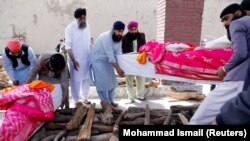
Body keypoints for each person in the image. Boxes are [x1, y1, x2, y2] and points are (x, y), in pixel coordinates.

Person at [189, 3, 250, 124]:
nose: (225, 23)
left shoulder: (237, 23)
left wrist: (224, 69)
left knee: (199, 119)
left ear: (238, 13)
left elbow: (241, 53)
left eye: (226, 18)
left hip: (238, 79)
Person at [90, 21, 125, 107]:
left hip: (108, 60)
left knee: (112, 81)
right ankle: (105, 102)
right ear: (113, 30)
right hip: (98, 60)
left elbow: (117, 54)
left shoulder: (119, 39)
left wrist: (121, 68)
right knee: (102, 82)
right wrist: (118, 69)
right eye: (118, 31)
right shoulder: (106, 37)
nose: (120, 33)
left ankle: (110, 100)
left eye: (122, 31)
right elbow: (111, 56)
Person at [65, 8, 91, 105]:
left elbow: (88, 42)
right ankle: (76, 100)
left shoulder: (87, 26)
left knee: (86, 79)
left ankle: (85, 98)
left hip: (87, 58)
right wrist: (74, 60)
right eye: (81, 19)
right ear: (76, 18)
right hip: (75, 59)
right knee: (76, 81)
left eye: (84, 18)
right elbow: (68, 47)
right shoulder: (69, 28)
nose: (83, 20)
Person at [122, 21, 146, 103]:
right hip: (129, 61)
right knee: (129, 79)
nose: (134, 31)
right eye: (131, 30)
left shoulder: (142, 36)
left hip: (140, 60)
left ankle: (140, 95)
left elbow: (144, 48)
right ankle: (131, 97)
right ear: (128, 30)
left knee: (141, 79)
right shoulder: (124, 38)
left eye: (135, 29)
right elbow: (124, 52)